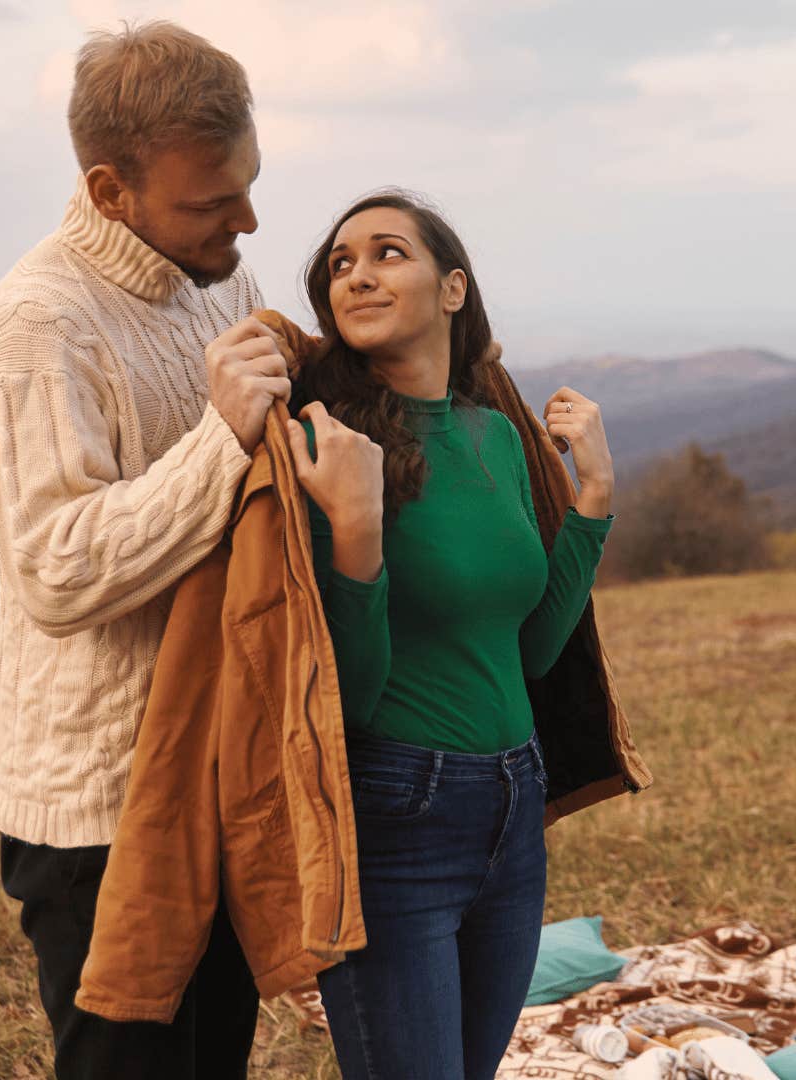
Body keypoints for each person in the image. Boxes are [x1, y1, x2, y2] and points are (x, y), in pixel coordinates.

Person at [0, 21, 295, 1078]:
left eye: (247, 183)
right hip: (98, 814)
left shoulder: (220, 278)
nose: (246, 218)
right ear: (111, 191)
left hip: (216, 771)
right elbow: (55, 569)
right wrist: (223, 439)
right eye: (210, 201)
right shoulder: (35, 327)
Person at [283, 189, 619, 1080]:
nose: (356, 273)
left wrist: (592, 505)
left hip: (515, 807)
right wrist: (354, 537)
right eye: (340, 264)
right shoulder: (328, 443)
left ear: (453, 289)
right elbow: (343, 702)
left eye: (387, 253)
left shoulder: (494, 437)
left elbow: (531, 655)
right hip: (398, 811)